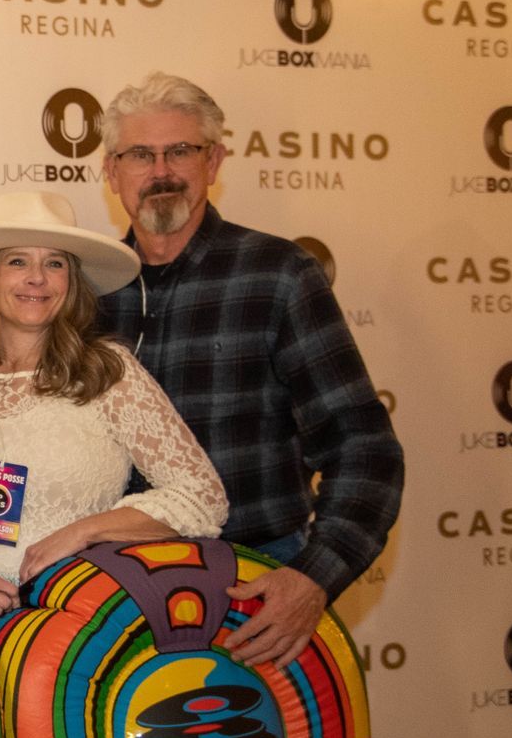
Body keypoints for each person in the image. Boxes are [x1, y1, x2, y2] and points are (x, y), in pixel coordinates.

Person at [93, 73, 403, 666]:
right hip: (115, 595)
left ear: (214, 161)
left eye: (180, 150)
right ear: (111, 173)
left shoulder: (280, 275)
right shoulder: (83, 289)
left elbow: (365, 449)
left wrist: (312, 578)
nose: (160, 171)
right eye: (140, 154)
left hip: (255, 593)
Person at [0, 190, 228, 622]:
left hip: (78, 626)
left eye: (55, 263)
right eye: (17, 261)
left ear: (71, 283)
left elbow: (202, 498)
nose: (37, 278)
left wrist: (84, 533)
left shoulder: (108, 372)